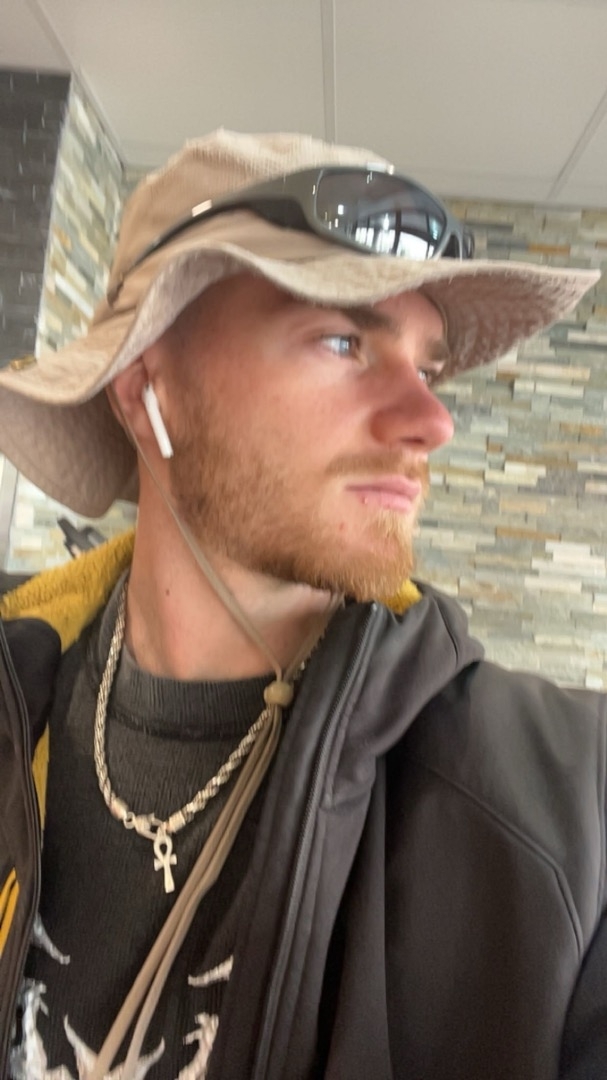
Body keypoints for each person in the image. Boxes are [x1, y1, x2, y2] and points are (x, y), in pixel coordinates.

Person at [0, 129, 604, 1080]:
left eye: (427, 365)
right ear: (146, 385)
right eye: (342, 340)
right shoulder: (16, 692)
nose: (431, 421)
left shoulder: (567, 814)